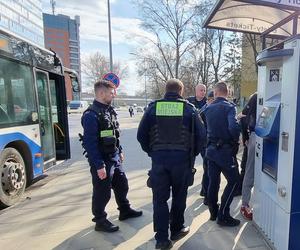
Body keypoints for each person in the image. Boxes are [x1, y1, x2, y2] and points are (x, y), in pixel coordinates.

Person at [137, 79, 206, 249]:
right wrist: (192, 154)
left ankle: (161, 239)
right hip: (182, 161)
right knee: (179, 196)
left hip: (159, 161)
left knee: (159, 200)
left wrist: (152, 152)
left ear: (166, 90)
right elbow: (202, 136)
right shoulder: (189, 109)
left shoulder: (153, 108)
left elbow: (141, 135)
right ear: (181, 91)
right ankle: (176, 229)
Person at [81, 80, 142, 233]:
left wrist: (119, 150)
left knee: (122, 184)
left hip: (114, 157)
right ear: (101, 93)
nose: (114, 95)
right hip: (102, 160)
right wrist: (99, 165)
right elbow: (90, 143)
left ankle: (124, 210)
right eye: (111, 92)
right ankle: (100, 220)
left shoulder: (109, 110)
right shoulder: (91, 115)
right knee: (102, 192)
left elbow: (114, 133)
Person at [204, 82, 241, 227]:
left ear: (215, 92)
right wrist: (235, 141)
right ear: (227, 92)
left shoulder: (207, 108)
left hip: (211, 151)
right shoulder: (229, 107)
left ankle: (213, 212)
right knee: (234, 181)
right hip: (225, 151)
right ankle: (223, 215)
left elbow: (204, 127)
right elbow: (233, 127)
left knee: (213, 182)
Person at [187, 84, 208, 199]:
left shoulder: (208, 102)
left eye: (204, 90)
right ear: (195, 91)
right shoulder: (188, 101)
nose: (203, 92)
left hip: (204, 138)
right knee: (190, 164)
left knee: (207, 165)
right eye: (201, 90)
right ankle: (185, 183)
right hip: (191, 138)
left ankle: (204, 190)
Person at [240, 92, 257, 220]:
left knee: (250, 170)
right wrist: (246, 137)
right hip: (256, 136)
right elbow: (242, 117)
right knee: (250, 171)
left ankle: (245, 204)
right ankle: (245, 205)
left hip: (255, 136)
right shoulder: (256, 96)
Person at [198, 90, 214, 204]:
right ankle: (207, 197)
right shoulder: (206, 111)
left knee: (207, 169)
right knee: (209, 170)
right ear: (210, 100)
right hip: (206, 144)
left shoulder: (204, 109)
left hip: (205, 144)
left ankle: (204, 191)